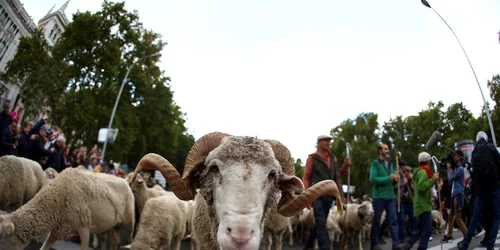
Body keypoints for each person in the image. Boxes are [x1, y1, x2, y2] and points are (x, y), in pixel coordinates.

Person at [302, 134, 351, 250]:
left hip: (329, 196)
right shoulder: (312, 158)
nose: (328, 143)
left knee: (321, 223)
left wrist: (345, 166)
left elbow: (336, 176)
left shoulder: (333, 158)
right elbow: (306, 177)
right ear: (319, 143)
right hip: (316, 195)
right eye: (325, 141)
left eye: (329, 141)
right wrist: (307, 197)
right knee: (320, 221)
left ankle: (308, 246)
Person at [458, 131, 500, 250]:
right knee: (497, 216)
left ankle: (465, 244)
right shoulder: (491, 147)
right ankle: (490, 244)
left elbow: (474, 172)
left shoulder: (475, 151)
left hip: (481, 190)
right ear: (486, 138)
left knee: (475, 217)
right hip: (494, 187)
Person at [401, 152, 439, 250]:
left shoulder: (420, 171)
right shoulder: (423, 172)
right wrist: (433, 180)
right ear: (428, 161)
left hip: (421, 204)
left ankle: (407, 245)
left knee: (421, 229)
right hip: (423, 205)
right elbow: (422, 187)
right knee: (427, 230)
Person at [369, 143, 403, 250]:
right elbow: (373, 179)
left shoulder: (391, 163)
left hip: (390, 196)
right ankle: (374, 243)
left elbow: (392, 182)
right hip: (379, 196)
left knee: (393, 219)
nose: (387, 150)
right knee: (377, 220)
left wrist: (395, 180)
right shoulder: (375, 164)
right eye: (385, 149)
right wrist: (389, 178)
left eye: (388, 149)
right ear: (380, 151)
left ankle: (396, 244)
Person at [443, 150, 468, 242]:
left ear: (460, 157)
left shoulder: (460, 169)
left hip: (458, 195)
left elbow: (450, 178)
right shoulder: (457, 168)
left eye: (456, 156)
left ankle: (466, 235)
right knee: (450, 216)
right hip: (455, 194)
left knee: (458, 217)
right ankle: (449, 234)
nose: (454, 157)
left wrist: (449, 170)